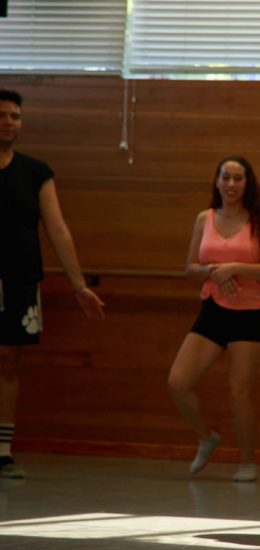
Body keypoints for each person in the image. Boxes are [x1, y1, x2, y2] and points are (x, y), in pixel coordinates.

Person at [0, 89, 105, 479]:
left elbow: (58, 229)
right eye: (3, 115)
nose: (10, 122)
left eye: (15, 116)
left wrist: (79, 286)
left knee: (10, 361)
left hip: (21, 280)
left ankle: (3, 450)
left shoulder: (36, 172)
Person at [167, 156, 260, 483]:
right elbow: (190, 268)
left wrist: (235, 268)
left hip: (251, 314)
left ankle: (247, 462)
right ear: (217, 182)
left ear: (248, 183)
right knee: (178, 382)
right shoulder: (204, 218)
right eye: (226, 178)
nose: (231, 184)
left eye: (238, 178)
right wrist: (212, 272)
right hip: (213, 310)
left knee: (238, 393)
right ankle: (206, 437)